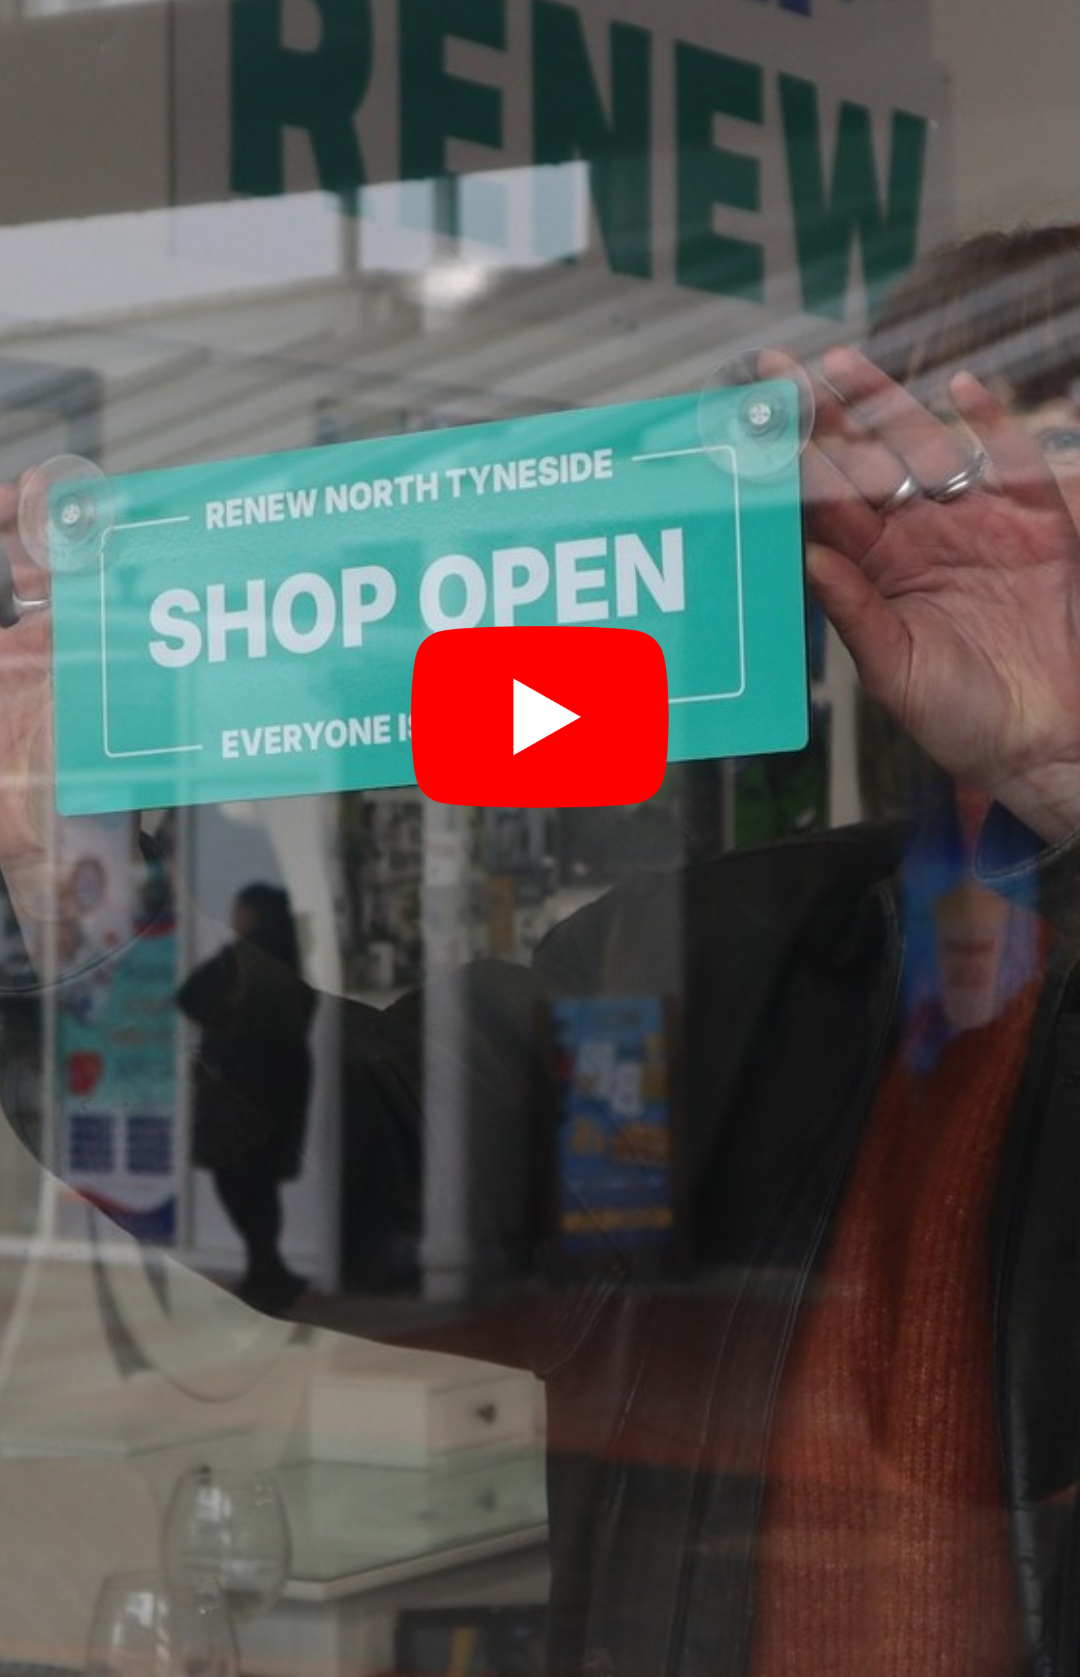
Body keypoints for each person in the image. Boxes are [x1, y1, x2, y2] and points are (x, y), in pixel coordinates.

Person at [5, 227, 1080, 1670]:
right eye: (945, 467)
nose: (1010, 524)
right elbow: (337, 1185)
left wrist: (1070, 773)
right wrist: (71, 898)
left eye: (1059, 459)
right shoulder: (747, 961)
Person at [178, 881, 315, 1313]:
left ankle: (267, 1273)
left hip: (239, 1093)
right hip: (277, 1091)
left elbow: (190, 995)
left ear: (252, 914)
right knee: (259, 1185)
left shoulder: (243, 959)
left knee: (238, 1181)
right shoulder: (287, 960)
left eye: (238, 910)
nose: (232, 919)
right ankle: (268, 1272)